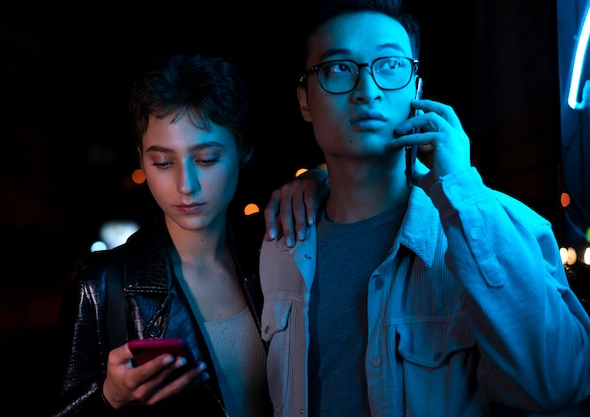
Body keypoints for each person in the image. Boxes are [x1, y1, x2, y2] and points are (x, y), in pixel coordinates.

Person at [259, 1, 590, 416]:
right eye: (340, 68)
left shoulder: (502, 226)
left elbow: (556, 386)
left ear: (417, 89)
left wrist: (463, 189)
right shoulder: (283, 241)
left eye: (391, 64)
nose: (368, 90)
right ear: (305, 101)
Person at [50, 52, 321, 417]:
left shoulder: (282, 255)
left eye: (207, 158)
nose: (185, 186)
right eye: (162, 162)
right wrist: (109, 398)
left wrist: (321, 178)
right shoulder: (98, 287)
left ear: (243, 149)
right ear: (141, 158)